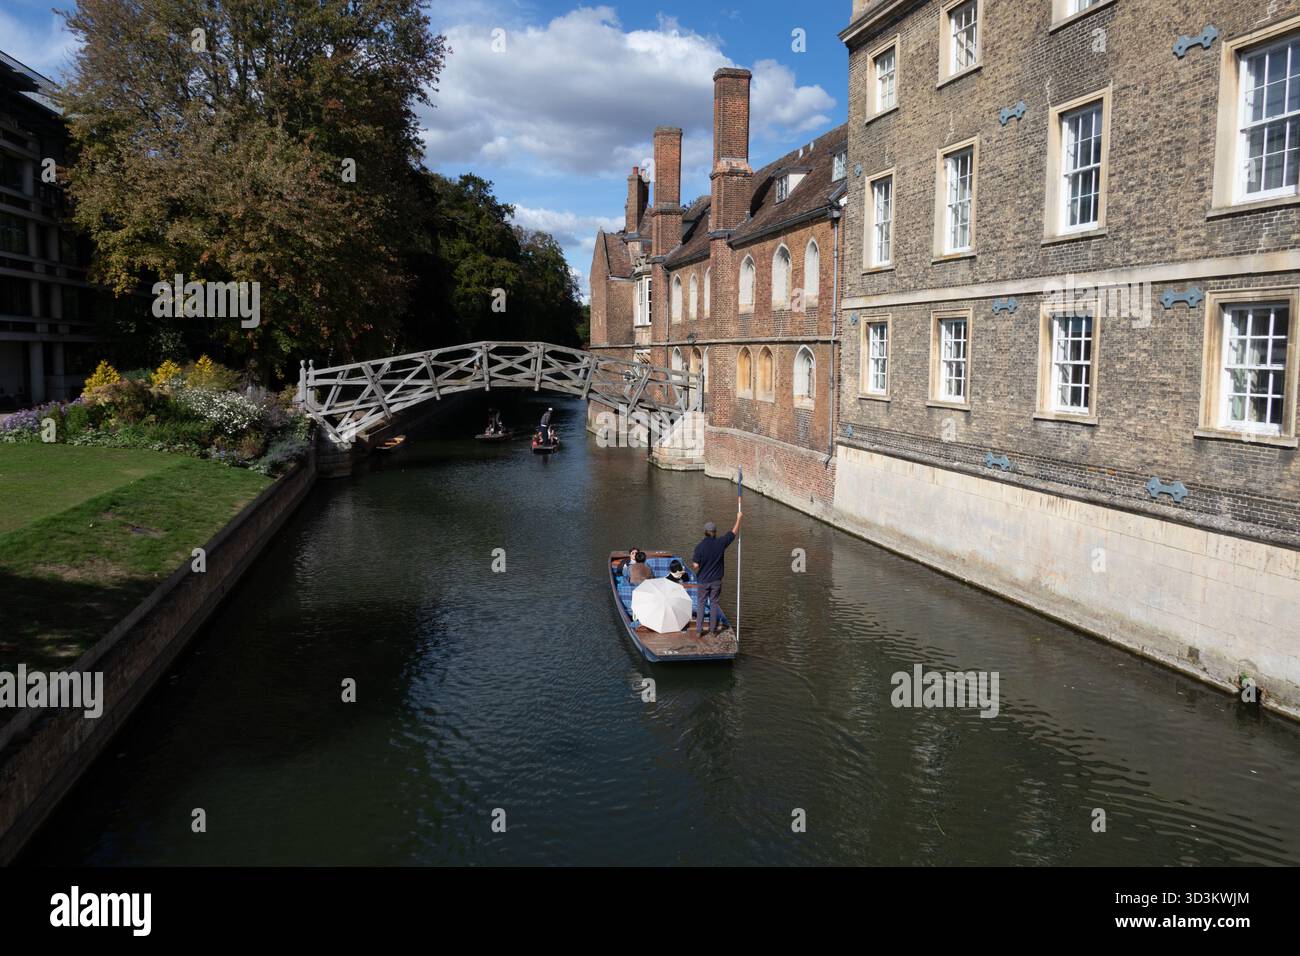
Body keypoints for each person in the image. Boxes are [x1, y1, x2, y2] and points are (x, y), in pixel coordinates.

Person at [691, 511, 742, 635]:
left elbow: (696, 565)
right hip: (716, 581)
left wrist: (699, 565)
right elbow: (733, 534)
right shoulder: (721, 543)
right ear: (715, 532)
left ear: (705, 532)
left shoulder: (700, 547)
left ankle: (699, 630)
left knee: (701, 604)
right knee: (714, 604)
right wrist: (739, 519)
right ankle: (713, 630)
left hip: (703, 581)